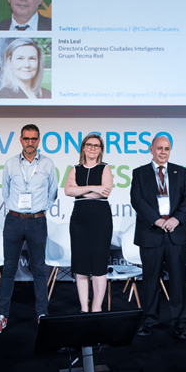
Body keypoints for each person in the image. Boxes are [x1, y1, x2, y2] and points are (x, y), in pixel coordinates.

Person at [0, 124, 58, 334]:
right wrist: (19, 210)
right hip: (14, 221)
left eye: (34, 139)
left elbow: (52, 192)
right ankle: (2, 315)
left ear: (39, 140)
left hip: (37, 221)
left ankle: (42, 314)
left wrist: (39, 210)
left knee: (39, 269)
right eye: (26, 139)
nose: (30, 142)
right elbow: (6, 192)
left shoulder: (48, 164)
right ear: (21, 140)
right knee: (8, 269)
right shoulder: (10, 163)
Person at [130, 135, 186, 340]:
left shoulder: (180, 171)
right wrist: (157, 220)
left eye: (167, 149)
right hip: (151, 232)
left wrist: (176, 218)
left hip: (175, 232)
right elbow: (137, 200)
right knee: (150, 280)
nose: (163, 152)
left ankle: (180, 323)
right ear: (151, 149)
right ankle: (150, 321)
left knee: (178, 280)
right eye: (159, 148)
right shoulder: (139, 173)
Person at [64, 134, 113, 313]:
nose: (93, 148)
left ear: (100, 149)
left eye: (97, 146)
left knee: (99, 265)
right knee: (81, 265)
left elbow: (105, 193)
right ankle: (84, 309)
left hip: (100, 220)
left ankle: (96, 308)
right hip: (79, 220)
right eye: (89, 145)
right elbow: (68, 190)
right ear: (83, 147)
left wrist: (80, 191)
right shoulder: (75, 169)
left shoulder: (105, 168)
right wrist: (94, 187)